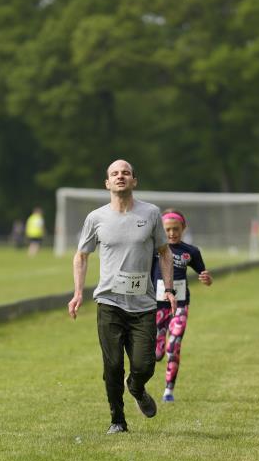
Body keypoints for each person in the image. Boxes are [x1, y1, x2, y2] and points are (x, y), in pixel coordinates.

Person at [68, 159, 176, 435]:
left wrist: (169, 289)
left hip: (143, 304)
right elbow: (81, 256)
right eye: (115, 174)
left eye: (125, 173)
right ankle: (117, 420)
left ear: (134, 181)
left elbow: (165, 253)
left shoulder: (151, 213)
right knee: (113, 364)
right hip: (109, 302)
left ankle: (137, 388)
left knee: (144, 365)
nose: (120, 176)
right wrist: (78, 292)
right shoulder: (96, 218)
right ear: (107, 183)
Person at [152, 210, 213, 403]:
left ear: (183, 228)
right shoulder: (154, 249)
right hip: (156, 306)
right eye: (167, 230)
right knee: (157, 354)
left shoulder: (190, 252)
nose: (172, 233)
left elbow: (204, 273)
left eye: (176, 229)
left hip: (180, 306)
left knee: (174, 346)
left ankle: (168, 390)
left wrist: (207, 279)